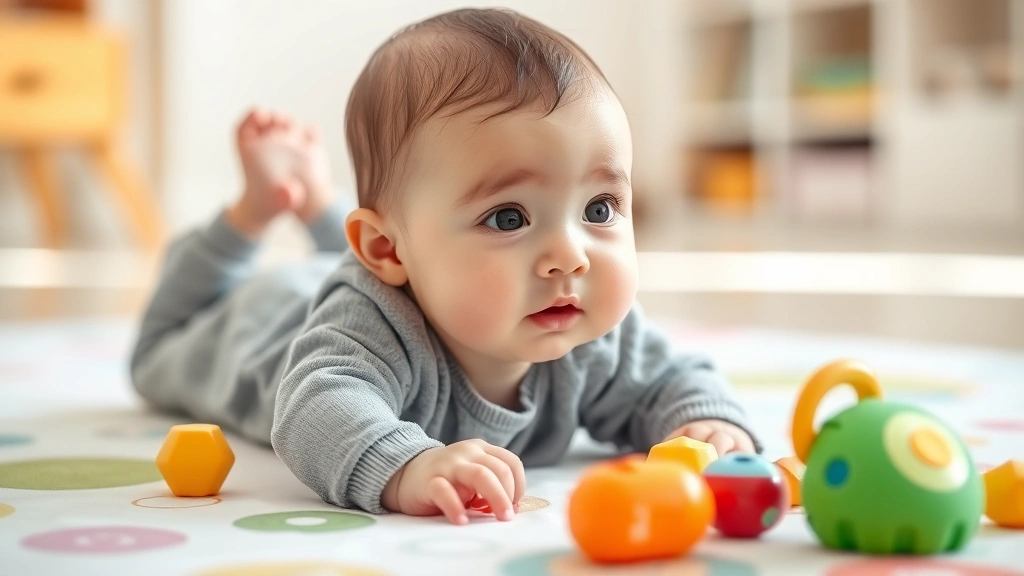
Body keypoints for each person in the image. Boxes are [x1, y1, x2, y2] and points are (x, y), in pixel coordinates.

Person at [131, 7, 759, 526]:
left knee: (393, 247)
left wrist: (703, 419)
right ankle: (259, 209)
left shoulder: (585, 329)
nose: (571, 255)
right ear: (385, 251)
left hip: (375, 263)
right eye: (509, 218)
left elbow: (667, 379)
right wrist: (408, 466)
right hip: (263, 321)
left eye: (599, 207)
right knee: (158, 353)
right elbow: (315, 409)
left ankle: (322, 207)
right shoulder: (369, 326)